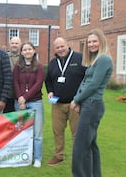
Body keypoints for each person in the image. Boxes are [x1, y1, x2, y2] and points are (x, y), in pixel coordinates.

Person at [70, 29, 113, 177]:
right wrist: (78, 99)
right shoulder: (95, 60)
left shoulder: (104, 59)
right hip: (88, 104)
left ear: (101, 41)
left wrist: (76, 100)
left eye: (94, 41)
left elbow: (94, 84)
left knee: (80, 148)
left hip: (93, 105)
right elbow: (85, 81)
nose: (91, 44)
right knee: (90, 146)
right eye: (89, 42)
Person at [45, 37, 86, 166]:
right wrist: (50, 91)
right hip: (57, 104)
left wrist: (80, 99)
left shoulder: (80, 58)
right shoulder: (52, 63)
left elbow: (87, 79)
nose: (60, 49)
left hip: (75, 103)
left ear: (68, 45)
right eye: (57, 47)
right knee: (57, 131)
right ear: (55, 49)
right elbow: (48, 80)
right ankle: (59, 155)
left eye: (62, 46)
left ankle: (77, 158)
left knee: (77, 133)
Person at [13, 41, 44, 168]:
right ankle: (23, 156)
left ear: (34, 51)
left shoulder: (40, 67)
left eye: (29, 49)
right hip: (19, 103)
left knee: (37, 133)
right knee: (21, 131)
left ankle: (37, 158)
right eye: (25, 50)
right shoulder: (17, 66)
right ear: (21, 52)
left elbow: (38, 84)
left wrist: (24, 98)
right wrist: (20, 98)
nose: (27, 52)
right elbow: (15, 82)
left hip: (35, 102)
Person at [4, 36, 22, 113]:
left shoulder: (24, 57)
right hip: (7, 95)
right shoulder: (4, 57)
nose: (14, 45)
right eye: (12, 43)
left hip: (20, 95)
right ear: (9, 44)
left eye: (16, 43)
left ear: (20, 45)